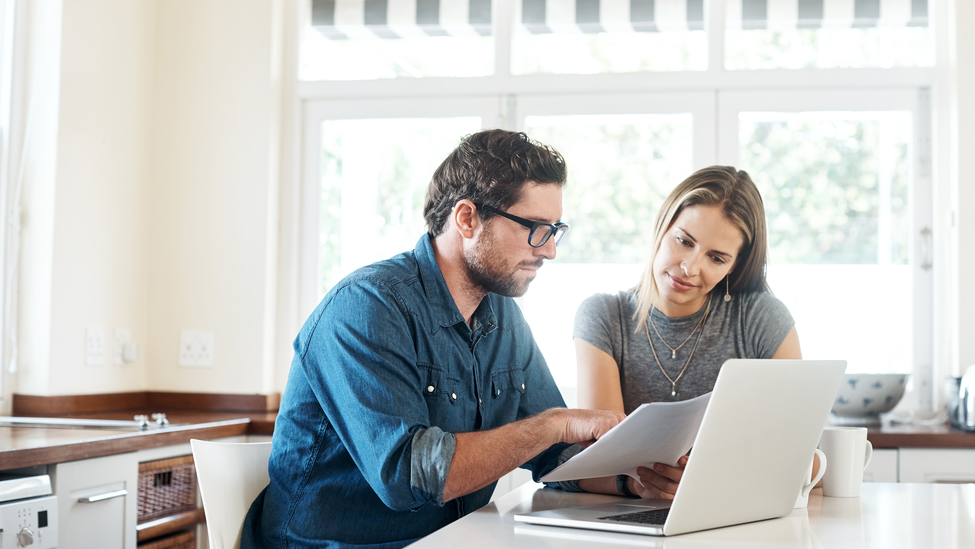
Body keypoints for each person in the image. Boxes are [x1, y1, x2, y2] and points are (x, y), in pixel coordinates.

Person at [241, 129, 625, 549]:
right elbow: (410, 476)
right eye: (535, 227)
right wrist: (554, 425)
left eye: (555, 229)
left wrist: (634, 481)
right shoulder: (367, 307)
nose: (549, 249)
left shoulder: (503, 317)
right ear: (467, 218)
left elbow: (556, 454)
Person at [572, 166, 802, 500]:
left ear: (734, 266)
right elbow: (603, 459)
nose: (690, 268)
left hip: (731, 514)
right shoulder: (604, 316)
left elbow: (800, 454)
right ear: (661, 226)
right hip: (632, 519)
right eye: (684, 241)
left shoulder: (760, 318)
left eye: (716, 257)